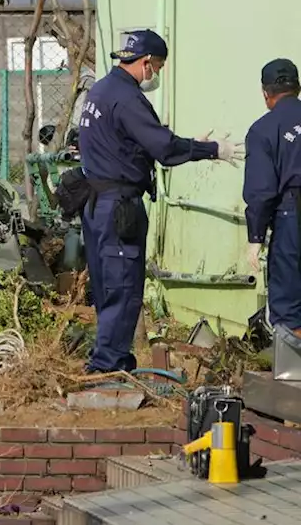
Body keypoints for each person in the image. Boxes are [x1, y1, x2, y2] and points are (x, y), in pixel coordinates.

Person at [76, 30, 242, 374]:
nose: (157, 75)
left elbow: (130, 143)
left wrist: (175, 143)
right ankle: (107, 367)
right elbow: (165, 149)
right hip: (118, 206)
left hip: (96, 203)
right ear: (147, 62)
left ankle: (115, 360)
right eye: (159, 67)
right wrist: (210, 150)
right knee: (123, 287)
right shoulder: (127, 98)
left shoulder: (101, 91)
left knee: (108, 287)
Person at [244, 59, 301, 343]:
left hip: (292, 213)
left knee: (289, 302)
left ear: (266, 93)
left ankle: (293, 375)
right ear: (298, 88)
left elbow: (262, 190)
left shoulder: (263, 130)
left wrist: (256, 236)